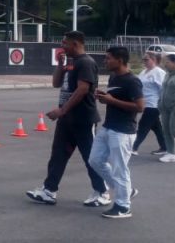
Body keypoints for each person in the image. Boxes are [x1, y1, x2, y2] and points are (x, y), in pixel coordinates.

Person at [26, 31, 108, 207]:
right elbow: (56, 83)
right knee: (58, 155)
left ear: (75, 44)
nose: (62, 46)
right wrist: (60, 65)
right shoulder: (72, 62)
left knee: (91, 157)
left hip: (83, 119)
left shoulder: (86, 62)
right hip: (67, 120)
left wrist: (62, 110)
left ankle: (102, 192)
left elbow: (82, 90)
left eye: (65, 43)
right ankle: (49, 191)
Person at [88, 46, 144, 219]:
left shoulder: (132, 81)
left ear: (119, 60)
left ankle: (123, 206)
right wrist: (105, 97)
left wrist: (112, 100)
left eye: (108, 58)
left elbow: (140, 107)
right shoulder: (114, 77)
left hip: (123, 131)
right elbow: (115, 99)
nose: (105, 61)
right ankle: (127, 191)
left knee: (120, 169)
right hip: (108, 127)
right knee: (95, 160)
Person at [132, 51, 168, 156]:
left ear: (154, 60)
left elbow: (163, 89)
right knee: (156, 127)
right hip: (145, 103)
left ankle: (133, 147)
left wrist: (163, 103)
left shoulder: (159, 72)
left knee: (143, 125)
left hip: (154, 104)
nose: (144, 61)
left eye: (146, 59)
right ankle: (165, 147)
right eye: (143, 59)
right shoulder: (144, 72)